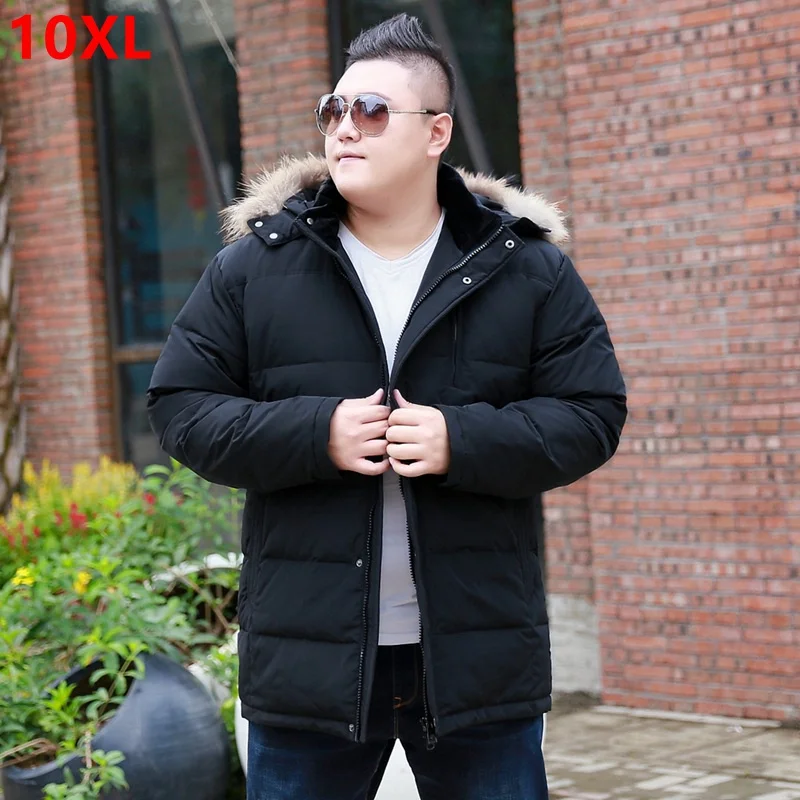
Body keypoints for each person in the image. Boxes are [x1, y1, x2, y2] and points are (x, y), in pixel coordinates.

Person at [147, 13, 627, 800]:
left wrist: (460, 441)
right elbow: (180, 406)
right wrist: (317, 433)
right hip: (308, 664)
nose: (345, 128)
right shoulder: (256, 266)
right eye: (333, 110)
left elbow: (592, 413)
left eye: (371, 111)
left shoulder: (523, 267)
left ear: (437, 131)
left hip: (477, 662)